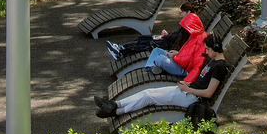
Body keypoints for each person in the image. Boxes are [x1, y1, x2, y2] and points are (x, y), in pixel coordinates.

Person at [95, 34, 228, 119]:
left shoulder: (219, 67)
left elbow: (209, 93)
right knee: (147, 91)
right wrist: (187, 85)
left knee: (149, 97)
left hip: (192, 98)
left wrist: (189, 90)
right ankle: (114, 104)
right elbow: (202, 80)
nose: (205, 51)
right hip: (187, 90)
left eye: (208, 49)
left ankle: (117, 112)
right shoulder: (213, 60)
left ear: (215, 48)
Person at [145, 12, 207, 79]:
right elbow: (187, 55)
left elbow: (194, 64)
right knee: (156, 50)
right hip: (179, 60)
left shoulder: (201, 42)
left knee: (160, 59)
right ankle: (150, 67)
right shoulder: (194, 37)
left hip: (183, 69)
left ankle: (155, 67)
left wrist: (175, 56)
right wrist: (177, 54)